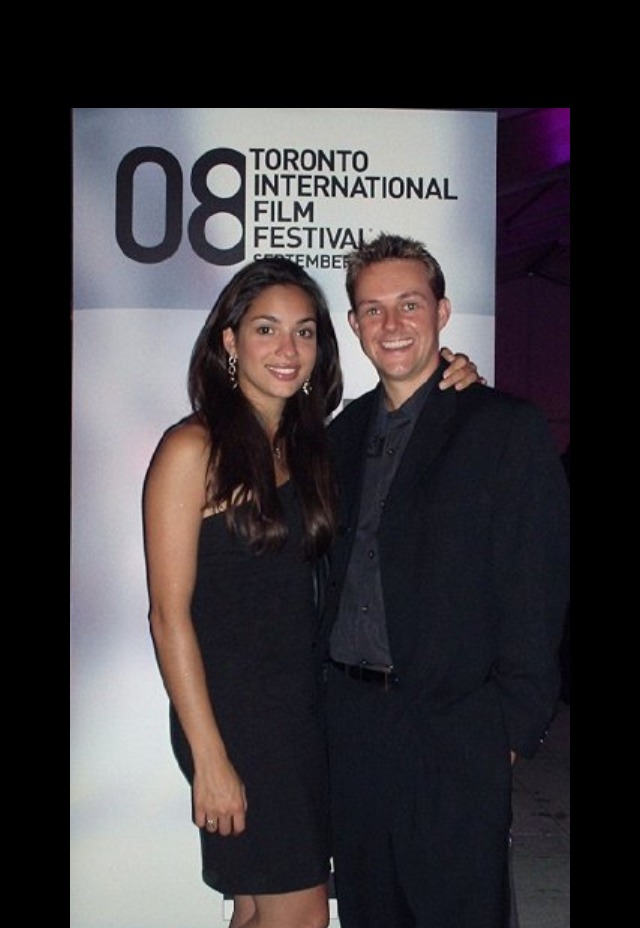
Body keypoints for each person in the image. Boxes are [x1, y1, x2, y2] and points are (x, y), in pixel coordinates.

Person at [142, 256, 479, 928]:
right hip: (235, 719)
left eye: (303, 332)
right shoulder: (193, 448)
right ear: (230, 341)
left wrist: (454, 375)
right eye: (266, 329)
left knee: (258, 906)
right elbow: (167, 617)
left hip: (302, 713)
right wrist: (210, 758)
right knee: (299, 914)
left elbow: (406, 417)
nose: (287, 349)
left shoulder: (315, 446)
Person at [316, 233, 570, 928]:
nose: (391, 324)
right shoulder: (339, 436)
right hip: (356, 727)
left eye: (408, 304)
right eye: (373, 309)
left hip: (455, 730)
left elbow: (535, 585)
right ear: (354, 325)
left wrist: (512, 726)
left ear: (442, 311)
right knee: (373, 912)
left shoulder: (503, 427)